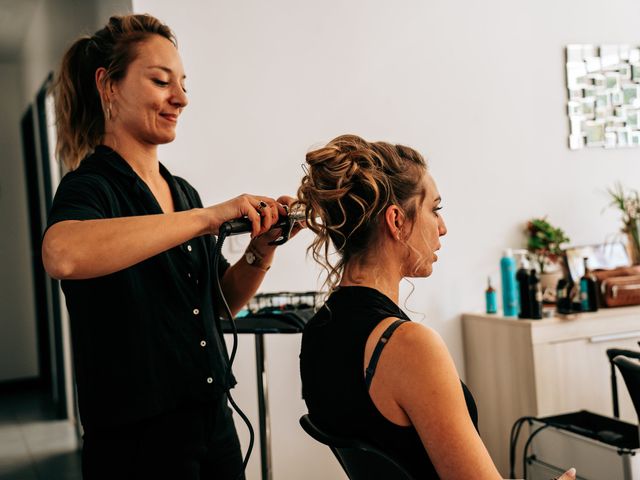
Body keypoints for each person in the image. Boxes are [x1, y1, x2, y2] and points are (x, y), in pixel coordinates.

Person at [42, 14, 297, 480]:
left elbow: (220, 308)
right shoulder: (90, 188)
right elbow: (62, 254)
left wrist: (260, 252)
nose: (180, 98)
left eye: (182, 84)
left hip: (212, 422)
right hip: (136, 444)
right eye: (162, 81)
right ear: (108, 86)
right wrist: (209, 218)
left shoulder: (183, 193)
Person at [297, 134, 575, 480]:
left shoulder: (317, 331)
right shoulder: (409, 345)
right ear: (397, 221)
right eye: (435, 209)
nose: (442, 228)